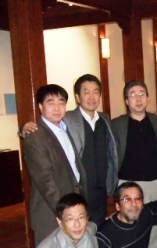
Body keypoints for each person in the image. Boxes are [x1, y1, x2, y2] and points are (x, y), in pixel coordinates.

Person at [20, 75, 118, 227]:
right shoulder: (67, 119)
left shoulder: (105, 119)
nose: (91, 97)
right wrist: (23, 129)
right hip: (74, 195)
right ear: (78, 97)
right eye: (86, 92)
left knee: (95, 237)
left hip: (100, 192)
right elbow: (43, 129)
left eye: (96, 92)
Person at [111, 80, 157, 248]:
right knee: (129, 225)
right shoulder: (116, 124)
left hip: (156, 183)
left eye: (141, 94)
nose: (138, 99)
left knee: (156, 228)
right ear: (126, 100)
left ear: (147, 98)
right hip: (127, 184)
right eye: (132, 94)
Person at [22, 84, 85, 245]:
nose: (57, 108)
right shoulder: (35, 136)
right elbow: (46, 181)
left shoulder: (63, 128)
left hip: (71, 207)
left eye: (61, 102)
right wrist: (65, 213)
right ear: (41, 106)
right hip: (52, 212)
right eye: (51, 102)